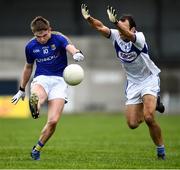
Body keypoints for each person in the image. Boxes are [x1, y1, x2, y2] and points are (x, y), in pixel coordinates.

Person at [81, 4, 166, 159]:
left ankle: (161, 150)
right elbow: (99, 27)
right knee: (132, 124)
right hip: (133, 83)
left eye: (123, 28)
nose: (120, 32)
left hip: (149, 79)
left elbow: (124, 32)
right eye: (119, 27)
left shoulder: (139, 37)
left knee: (148, 118)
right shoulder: (116, 35)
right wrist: (89, 18)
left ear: (133, 29)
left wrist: (116, 24)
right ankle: (153, 104)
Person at [11, 16, 84, 160]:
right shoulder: (30, 46)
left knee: (53, 121)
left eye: (45, 35)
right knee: (38, 96)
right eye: (39, 37)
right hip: (41, 79)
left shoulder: (59, 38)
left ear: (49, 30)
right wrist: (21, 89)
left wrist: (76, 53)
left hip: (60, 81)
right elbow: (28, 67)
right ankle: (36, 105)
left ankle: (37, 148)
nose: (42, 39)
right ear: (34, 34)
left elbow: (70, 47)